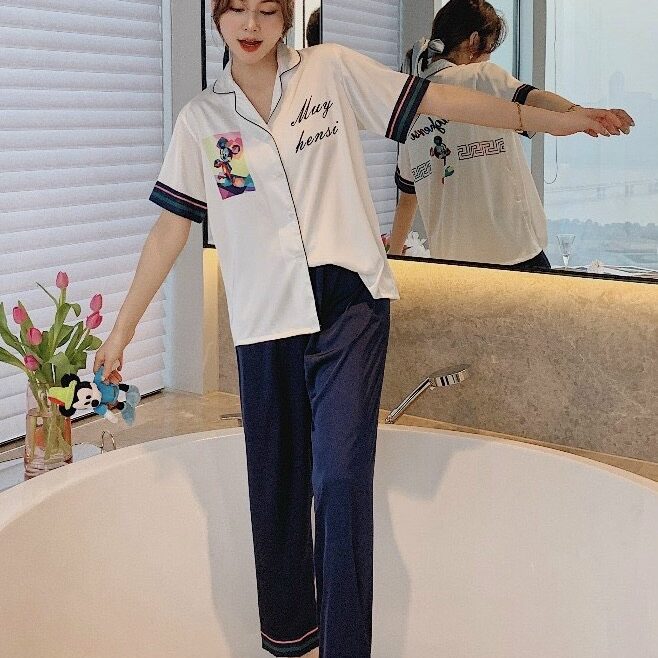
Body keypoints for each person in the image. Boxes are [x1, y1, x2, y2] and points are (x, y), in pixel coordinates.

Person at [93, 1, 624, 656]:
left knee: (340, 480)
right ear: (218, 16)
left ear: (287, 16)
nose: (252, 24)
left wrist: (557, 120)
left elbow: (440, 102)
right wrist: (122, 333)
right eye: (238, 9)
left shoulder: (330, 71)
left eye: (267, 9)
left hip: (349, 304)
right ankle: (293, 640)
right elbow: (170, 228)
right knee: (277, 490)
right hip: (265, 318)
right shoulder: (203, 120)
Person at [389, 0, 634, 269]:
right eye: (489, 49)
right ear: (474, 41)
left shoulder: (411, 106)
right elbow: (532, 98)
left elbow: (407, 197)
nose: (488, 58)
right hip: (514, 252)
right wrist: (577, 113)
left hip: (454, 266)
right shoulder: (480, 75)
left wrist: (395, 260)